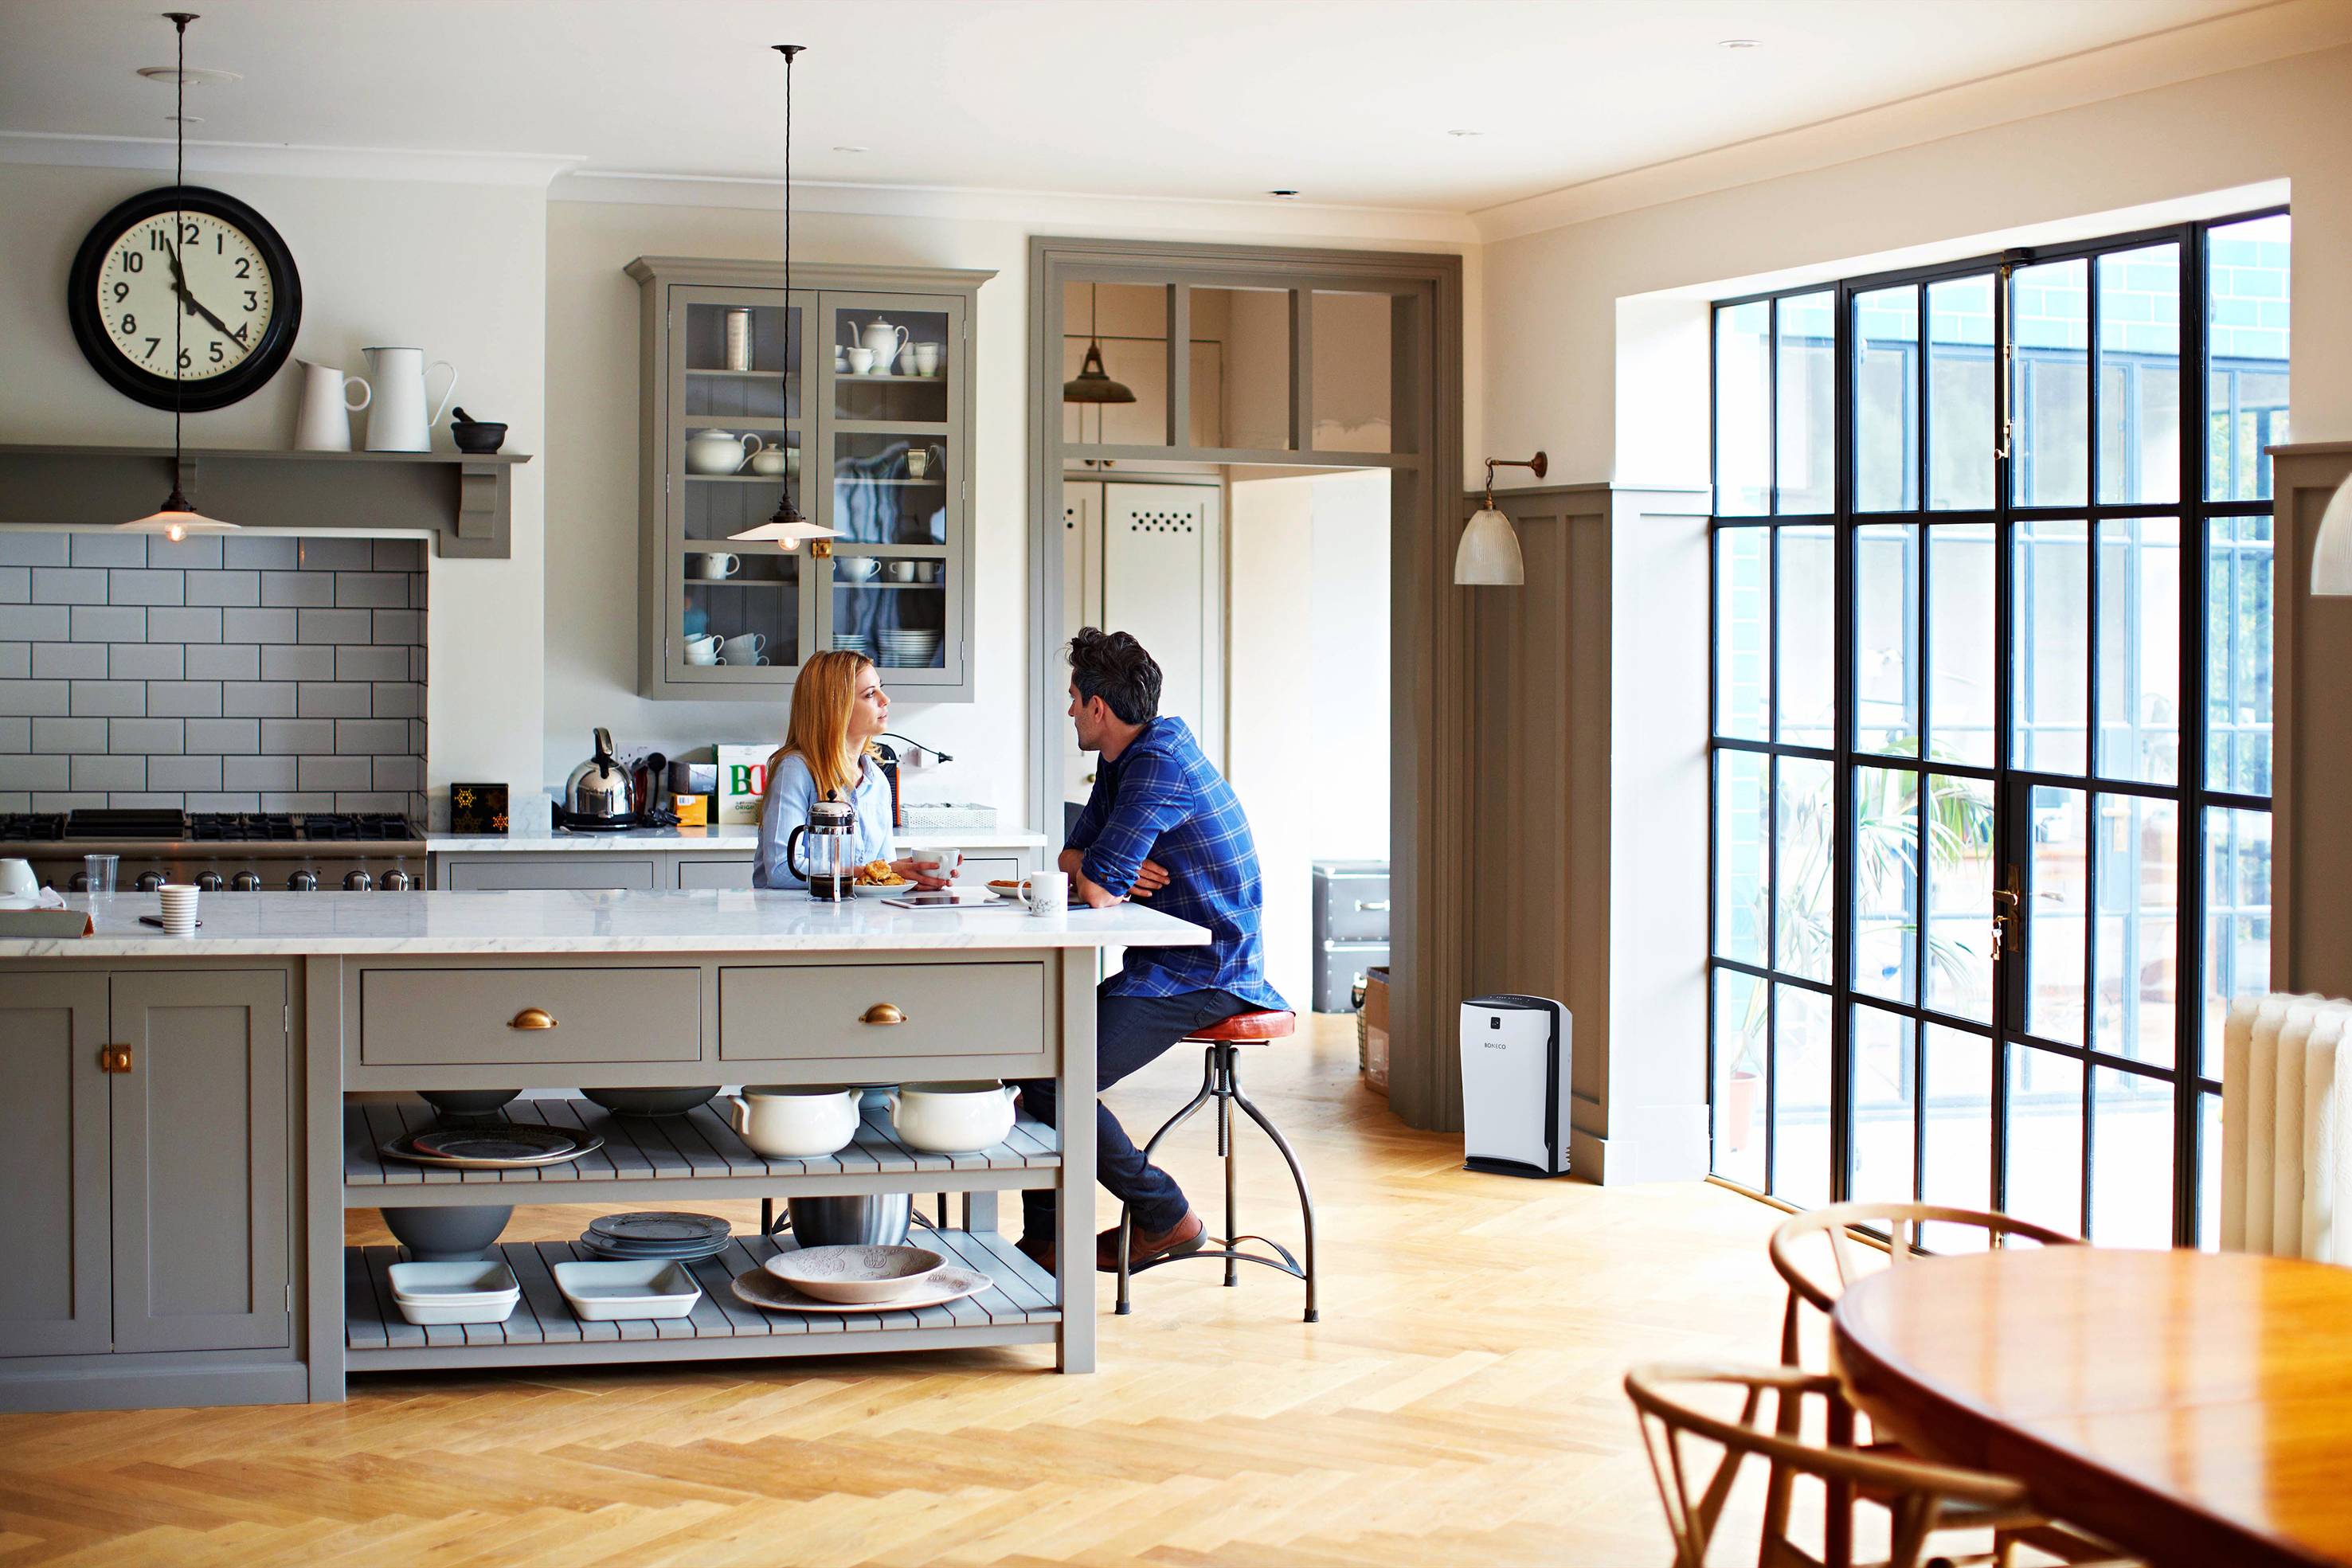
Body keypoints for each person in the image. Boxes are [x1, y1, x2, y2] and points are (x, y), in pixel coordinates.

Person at [1015, 627, 1289, 1277]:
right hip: (1163, 964)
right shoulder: (1124, 759)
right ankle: (1049, 1241)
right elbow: (1074, 859)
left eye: (1074, 699)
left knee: (1055, 1074)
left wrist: (1103, 869)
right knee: (1034, 1051)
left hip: (1208, 971)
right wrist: (1100, 866)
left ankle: (1166, 1216)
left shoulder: (1159, 763)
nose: (1070, 711)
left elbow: (1098, 888)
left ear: (1098, 708)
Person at [753, 649, 946, 893]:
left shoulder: (877, 781)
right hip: (797, 923)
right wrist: (871, 872)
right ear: (835, 708)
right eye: (869, 694)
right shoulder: (795, 770)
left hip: (857, 922)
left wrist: (910, 879)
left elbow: (881, 874)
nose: (885, 699)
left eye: (880, 688)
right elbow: (782, 870)